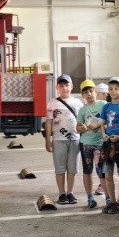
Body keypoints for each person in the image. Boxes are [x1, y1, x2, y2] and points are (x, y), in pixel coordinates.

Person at [44, 74, 83, 205]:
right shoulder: (52, 103)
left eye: (67, 85)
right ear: (57, 87)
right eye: (61, 86)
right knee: (60, 167)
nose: (64, 88)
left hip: (75, 139)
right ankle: (61, 193)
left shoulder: (78, 103)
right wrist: (48, 141)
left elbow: (82, 121)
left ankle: (70, 192)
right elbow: (49, 122)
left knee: (72, 168)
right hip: (58, 139)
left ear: (71, 86)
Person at [100, 77, 119, 214]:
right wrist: (103, 134)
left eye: (116, 89)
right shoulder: (106, 107)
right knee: (107, 174)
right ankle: (111, 201)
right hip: (108, 143)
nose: (113, 91)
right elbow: (102, 123)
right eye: (111, 89)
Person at [76, 79, 106, 210]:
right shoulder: (82, 110)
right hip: (86, 144)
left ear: (96, 92)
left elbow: (109, 119)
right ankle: (90, 197)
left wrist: (98, 125)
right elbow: (78, 127)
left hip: (101, 143)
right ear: (82, 95)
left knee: (102, 171)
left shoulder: (104, 105)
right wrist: (81, 128)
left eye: (91, 91)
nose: (89, 94)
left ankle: (109, 198)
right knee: (87, 171)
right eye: (86, 92)